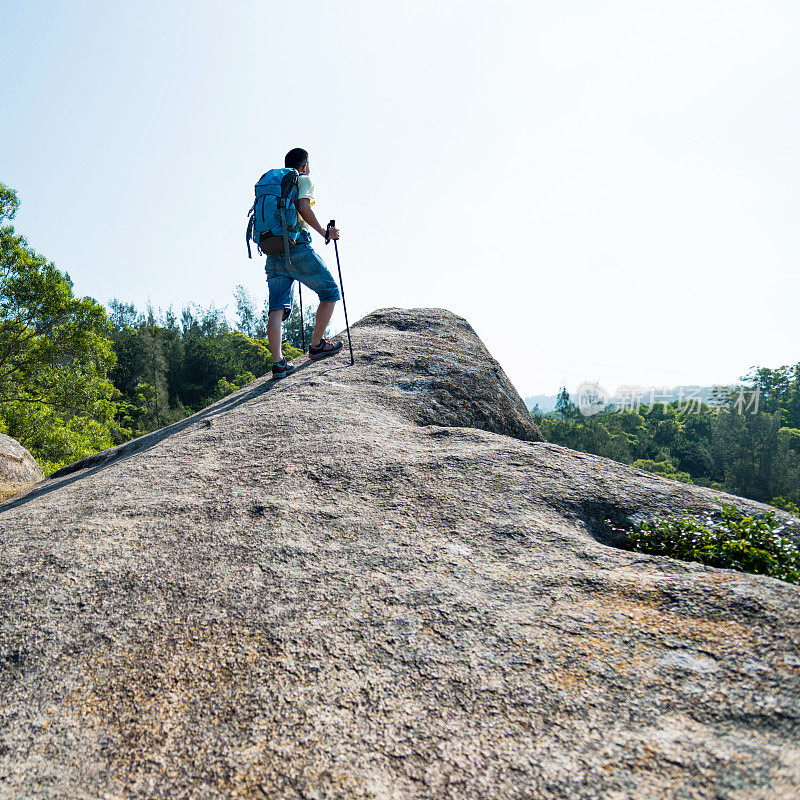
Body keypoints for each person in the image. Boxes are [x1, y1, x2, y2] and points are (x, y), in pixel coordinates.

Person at [265, 148, 344, 379]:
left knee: (277, 307)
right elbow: (303, 207)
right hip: (297, 248)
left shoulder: (274, 182)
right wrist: (325, 233)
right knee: (330, 291)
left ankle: (278, 363)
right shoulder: (303, 179)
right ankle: (317, 344)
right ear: (305, 165)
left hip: (273, 250)